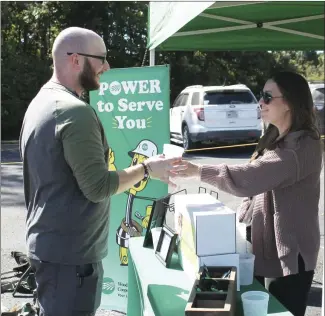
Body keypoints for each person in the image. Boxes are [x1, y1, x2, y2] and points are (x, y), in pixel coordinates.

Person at [19, 27, 185, 316]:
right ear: (75, 60)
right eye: (101, 58)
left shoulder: (41, 103)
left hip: (53, 251)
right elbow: (98, 187)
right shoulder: (74, 111)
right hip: (70, 259)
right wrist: (147, 168)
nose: (107, 67)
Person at [171, 71, 323, 316]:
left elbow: (249, 178)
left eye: (267, 96)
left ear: (290, 103)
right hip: (264, 248)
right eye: (261, 95)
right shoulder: (275, 135)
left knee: (279, 312)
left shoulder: (300, 147)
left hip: (288, 256)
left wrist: (197, 170)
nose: (260, 102)